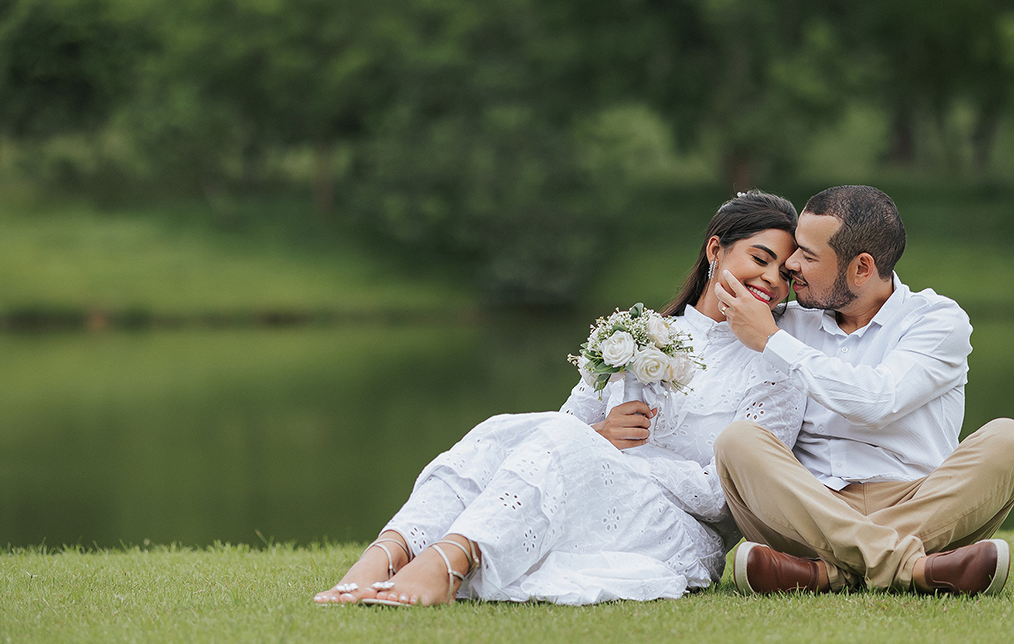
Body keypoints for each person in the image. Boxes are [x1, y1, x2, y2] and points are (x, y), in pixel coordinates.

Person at [313, 191, 808, 607]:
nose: (770, 280)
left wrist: (618, 457)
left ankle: (449, 563)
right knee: (499, 429)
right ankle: (385, 555)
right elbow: (564, 428)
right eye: (759, 259)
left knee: (561, 441)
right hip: (591, 485)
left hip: (675, 527)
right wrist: (600, 436)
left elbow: (728, 502)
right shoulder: (639, 333)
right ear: (715, 250)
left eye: (784, 274)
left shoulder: (777, 368)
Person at [712, 185, 1014, 596]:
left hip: (919, 503)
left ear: (861, 268)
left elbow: (877, 401)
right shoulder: (783, 321)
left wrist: (774, 343)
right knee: (738, 441)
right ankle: (910, 567)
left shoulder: (936, 320)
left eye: (808, 255)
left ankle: (825, 572)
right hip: (810, 505)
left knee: (1010, 441)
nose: (791, 264)